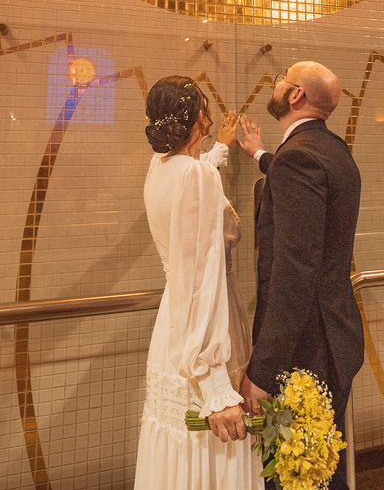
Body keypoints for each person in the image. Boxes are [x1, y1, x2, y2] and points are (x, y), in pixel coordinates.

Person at [237, 61, 364, 490]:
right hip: (335, 339)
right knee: (326, 470)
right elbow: (297, 183)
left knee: (298, 476)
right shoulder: (332, 152)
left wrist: (264, 369)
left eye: (281, 79)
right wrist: (259, 155)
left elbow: (293, 272)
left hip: (304, 350)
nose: (274, 85)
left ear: (295, 96)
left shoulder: (298, 161)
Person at [135, 76, 262, 489]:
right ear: (201, 118)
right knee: (214, 451)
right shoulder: (196, 177)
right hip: (205, 325)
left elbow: (194, 189)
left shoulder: (160, 169)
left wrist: (218, 151)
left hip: (172, 329)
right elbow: (200, 282)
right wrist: (214, 389)